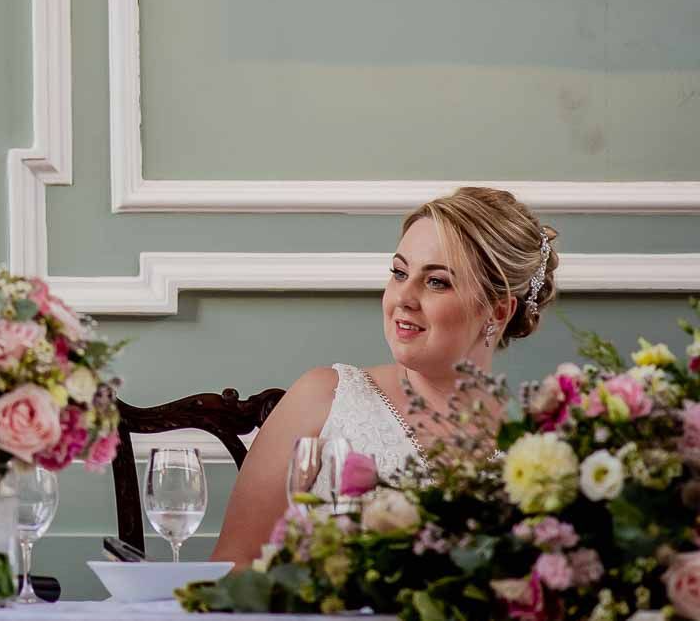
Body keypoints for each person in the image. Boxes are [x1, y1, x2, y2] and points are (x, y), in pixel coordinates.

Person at [209, 186, 559, 568]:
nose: (403, 298)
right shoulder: (323, 398)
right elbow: (232, 565)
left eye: (436, 281)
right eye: (399, 273)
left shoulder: (542, 440)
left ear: (497, 311)